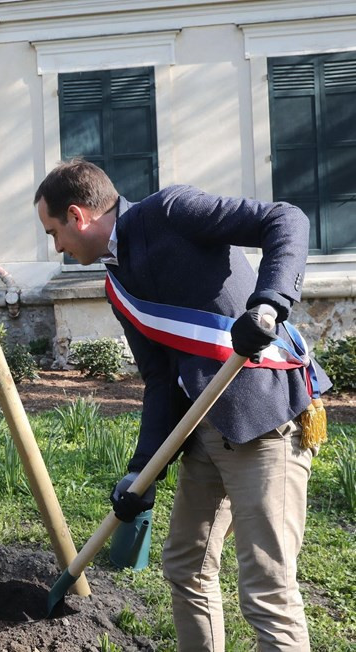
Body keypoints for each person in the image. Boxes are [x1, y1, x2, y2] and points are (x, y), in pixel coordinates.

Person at [34, 159, 330, 651]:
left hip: (266, 421)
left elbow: (286, 219)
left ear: (77, 215)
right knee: (186, 568)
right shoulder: (116, 285)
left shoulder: (171, 211)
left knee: (267, 589)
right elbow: (160, 380)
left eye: (54, 233)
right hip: (206, 431)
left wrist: (269, 304)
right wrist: (140, 473)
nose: (57, 246)